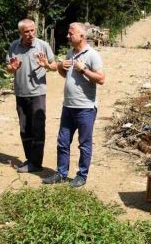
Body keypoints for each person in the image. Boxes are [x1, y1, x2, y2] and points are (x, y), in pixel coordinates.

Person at [43, 23, 105, 188]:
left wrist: (84, 69)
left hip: (85, 108)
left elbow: (101, 79)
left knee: (84, 144)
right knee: (62, 142)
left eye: (71, 34)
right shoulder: (71, 53)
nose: (68, 36)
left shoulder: (92, 55)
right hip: (68, 106)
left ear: (81, 36)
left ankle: (81, 176)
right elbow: (67, 76)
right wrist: (61, 69)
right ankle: (61, 173)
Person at [6, 19, 56, 173]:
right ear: (20, 32)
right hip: (20, 93)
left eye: (32, 30)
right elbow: (8, 67)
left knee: (38, 128)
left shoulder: (43, 45)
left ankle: (36, 163)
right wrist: (12, 68)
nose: (30, 34)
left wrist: (46, 65)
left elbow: (55, 66)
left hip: (37, 93)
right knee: (24, 128)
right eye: (26, 31)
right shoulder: (14, 46)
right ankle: (30, 159)